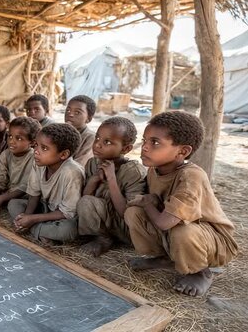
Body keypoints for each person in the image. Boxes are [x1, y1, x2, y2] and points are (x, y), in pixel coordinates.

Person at [125, 111, 238, 297]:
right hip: (174, 228)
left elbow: (164, 223)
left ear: (183, 151)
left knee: (182, 230)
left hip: (212, 240)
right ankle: (164, 259)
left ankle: (201, 272)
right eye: (145, 140)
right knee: (134, 213)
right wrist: (147, 203)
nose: (144, 147)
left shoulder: (191, 176)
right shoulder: (154, 170)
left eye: (154, 142)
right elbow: (154, 206)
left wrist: (147, 203)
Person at [77, 117, 146, 257]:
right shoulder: (93, 163)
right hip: (102, 221)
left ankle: (104, 240)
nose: (97, 145)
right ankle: (101, 236)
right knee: (85, 202)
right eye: (97, 138)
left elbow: (127, 214)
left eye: (107, 142)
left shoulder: (133, 171)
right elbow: (85, 197)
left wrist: (112, 179)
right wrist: (94, 179)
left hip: (125, 228)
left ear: (126, 149)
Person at [8, 123, 84, 243]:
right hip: (45, 209)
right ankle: (41, 232)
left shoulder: (72, 172)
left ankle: (36, 230)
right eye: (36, 145)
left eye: (44, 148)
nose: (36, 151)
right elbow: (34, 194)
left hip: (63, 217)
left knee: (68, 230)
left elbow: (68, 213)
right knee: (14, 204)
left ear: (63, 154)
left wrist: (32, 219)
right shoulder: (39, 162)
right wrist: (26, 218)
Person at [0, 117, 40, 216]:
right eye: (10, 136)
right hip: (9, 190)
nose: (11, 141)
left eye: (18, 138)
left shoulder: (34, 158)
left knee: (13, 205)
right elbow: (0, 179)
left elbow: (27, 187)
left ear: (32, 142)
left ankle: (1, 203)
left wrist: (0, 198)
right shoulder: (6, 154)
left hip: (25, 195)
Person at [65, 94, 96, 167]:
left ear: (89, 119)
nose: (70, 114)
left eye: (77, 112)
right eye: (68, 110)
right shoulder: (60, 133)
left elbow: (78, 165)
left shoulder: (90, 138)